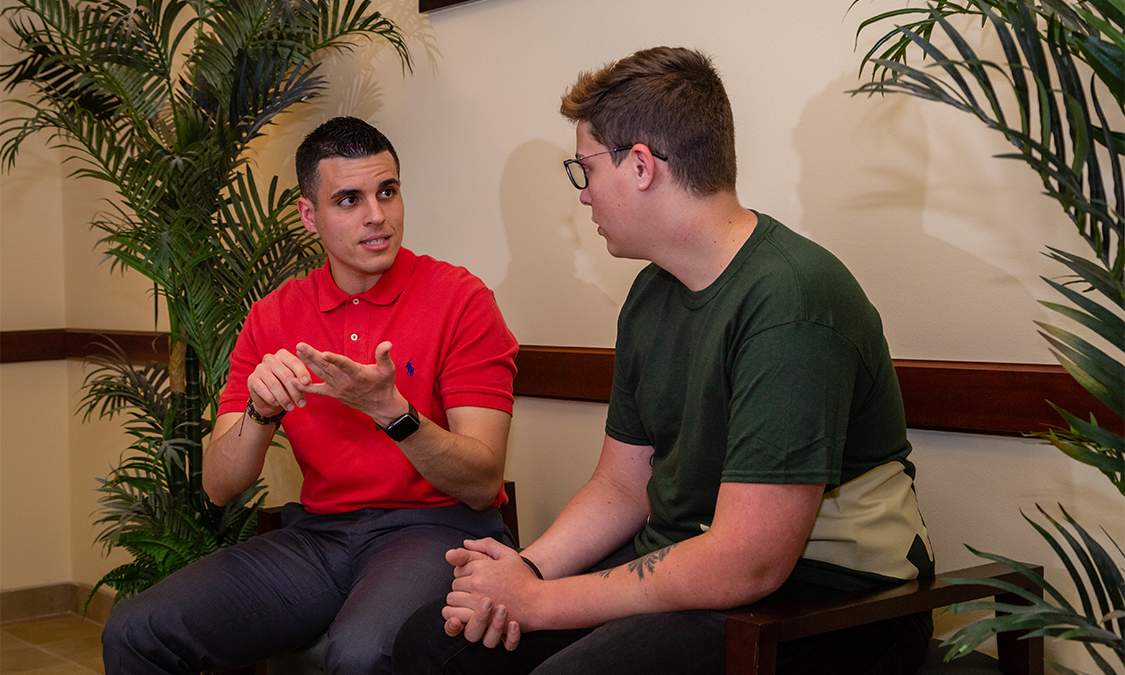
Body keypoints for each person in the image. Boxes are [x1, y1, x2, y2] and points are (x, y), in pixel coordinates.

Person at [391, 47, 934, 675]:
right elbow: (623, 485)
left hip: (833, 599)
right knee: (433, 647)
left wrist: (542, 602)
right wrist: (526, 571)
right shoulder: (651, 292)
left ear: (642, 167)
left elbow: (747, 560)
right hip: (688, 563)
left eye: (584, 169)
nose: (584, 196)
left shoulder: (793, 301)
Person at [101, 116, 519, 675]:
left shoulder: (461, 299)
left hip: (437, 531)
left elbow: (483, 479)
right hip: (321, 538)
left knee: (361, 656)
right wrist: (259, 409)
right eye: (349, 199)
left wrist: (392, 413)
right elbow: (220, 486)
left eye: (387, 192)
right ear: (308, 215)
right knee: (136, 631)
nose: (377, 216)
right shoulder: (274, 315)